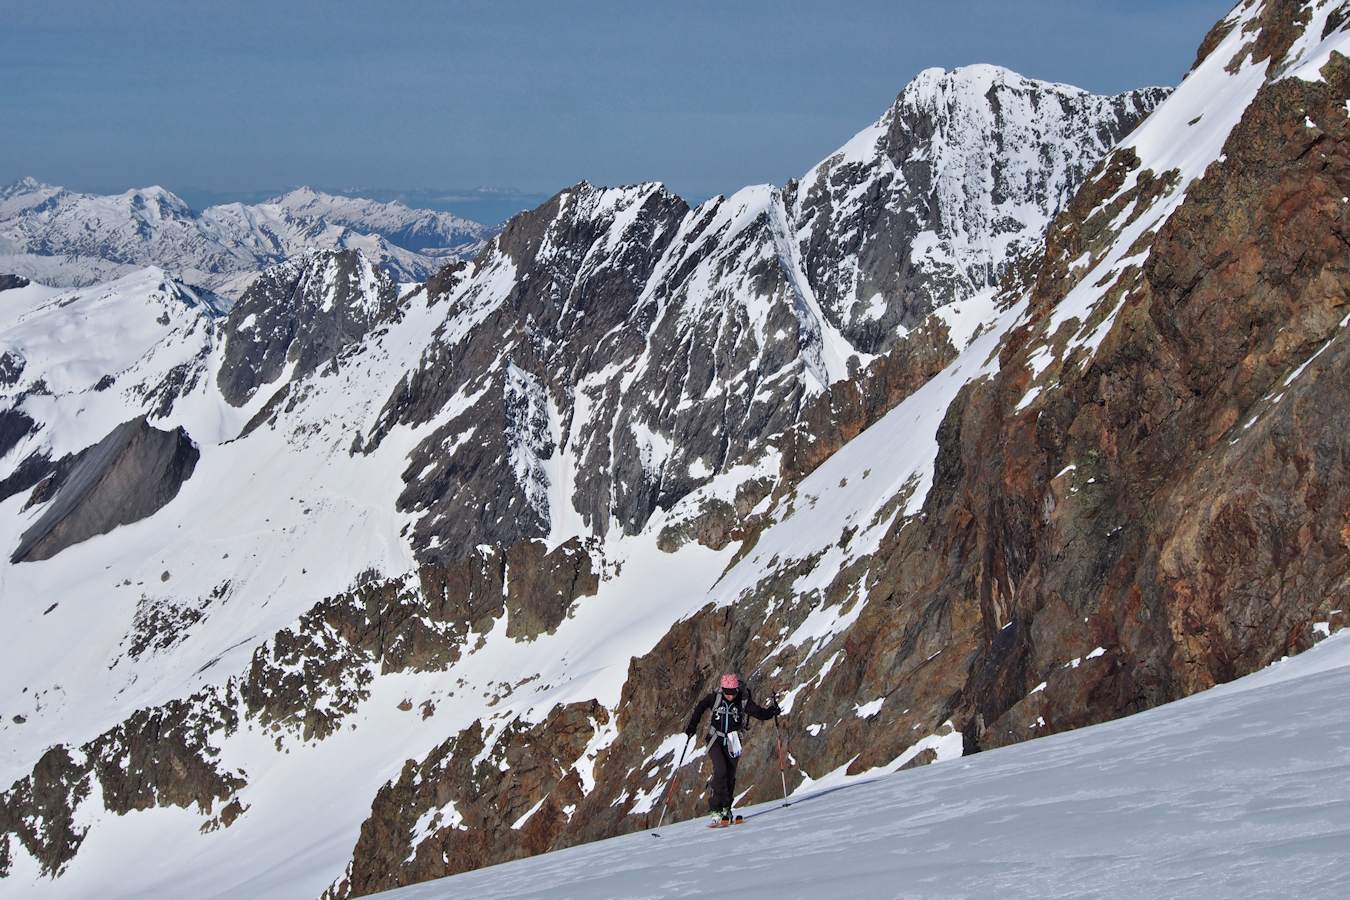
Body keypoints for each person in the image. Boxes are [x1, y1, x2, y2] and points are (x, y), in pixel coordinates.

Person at [684, 673, 781, 826]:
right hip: (715, 739)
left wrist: (771, 712)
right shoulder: (715, 698)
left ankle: (726, 809)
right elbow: (700, 707)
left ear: (737, 689)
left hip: (733, 741)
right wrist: (692, 726)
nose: (730, 696)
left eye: (732, 692)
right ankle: (715, 808)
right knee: (721, 771)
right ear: (722, 690)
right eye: (727, 692)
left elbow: (758, 713)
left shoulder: (742, 701)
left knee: (730, 775)